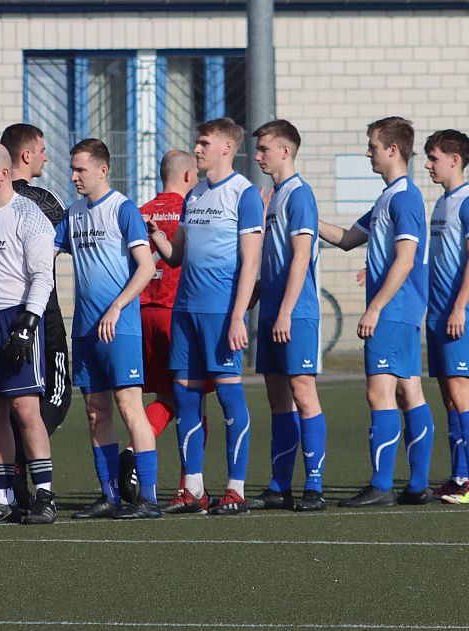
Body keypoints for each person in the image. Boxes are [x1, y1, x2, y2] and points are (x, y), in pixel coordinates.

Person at [318, 116, 435, 508]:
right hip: (401, 310)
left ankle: (383, 484)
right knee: (408, 389)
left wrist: (375, 307)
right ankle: (417, 486)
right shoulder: (388, 198)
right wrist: (303, 216)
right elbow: (347, 239)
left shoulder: (404, 197)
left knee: (379, 390)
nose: (368, 152)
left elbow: (406, 257)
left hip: (395, 310)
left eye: (373, 146)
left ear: (393, 150)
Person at [149, 117, 263, 516]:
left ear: (226, 148)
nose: (196, 149)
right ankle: (193, 490)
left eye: (204, 143)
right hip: (185, 311)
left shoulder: (243, 194)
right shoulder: (194, 194)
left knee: (230, 397)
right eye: (196, 143)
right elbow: (177, 256)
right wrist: (157, 237)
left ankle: (236, 490)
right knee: (185, 397)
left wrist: (238, 316)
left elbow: (251, 262)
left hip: (220, 313)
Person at [53, 139, 159, 520]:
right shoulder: (73, 213)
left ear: (103, 170)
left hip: (120, 329)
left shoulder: (123, 209)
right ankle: (110, 495)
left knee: (130, 408)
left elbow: (147, 267)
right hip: (85, 330)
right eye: (72, 169)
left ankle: (148, 499)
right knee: (96, 413)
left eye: (80, 169)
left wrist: (116, 307)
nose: (74, 176)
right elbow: (45, 251)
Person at [0, 142, 58, 524]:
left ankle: (45, 495)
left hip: (14, 318)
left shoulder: (28, 214)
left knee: (25, 409)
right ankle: (1, 498)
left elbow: (43, 276)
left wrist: (28, 323)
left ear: (3, 174)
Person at [246, 120, 328, 513]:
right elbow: (275, 258)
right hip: (273, 311)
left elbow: (300, 257)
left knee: (303, 393)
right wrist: (258, 292)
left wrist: (285, 312)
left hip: (295, 314)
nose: (257, 156)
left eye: (264, 149)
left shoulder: (299, 195)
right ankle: (280, 486)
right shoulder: (275, 196)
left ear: (285, 150)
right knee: (277, 398)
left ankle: (314, 486)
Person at [117, 150, 205, 504]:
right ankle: (190, 487)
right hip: (176, 314)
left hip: (142, 314)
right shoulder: (193, 209)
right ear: (186, 176)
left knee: (166, 398)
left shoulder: (140, 212)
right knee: (192, 402)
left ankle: (132, 452)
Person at [421, 130, 469, 505]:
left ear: (454, 159)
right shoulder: (441, 204)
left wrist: (461, 305)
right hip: (438, 314)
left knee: (462, 394)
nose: (427, 165)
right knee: (449, 397)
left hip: (459, 314)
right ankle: (459, 476)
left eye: (433, 157)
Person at [2, 124, 72, 498]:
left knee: (11, 401)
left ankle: (11, 485)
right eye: (42, 150)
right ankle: (25, 469)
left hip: (1, 315)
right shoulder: (42, 201)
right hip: (43, 316)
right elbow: (76, 241)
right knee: (56, 398)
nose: (46, 157)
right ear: (26, 155)